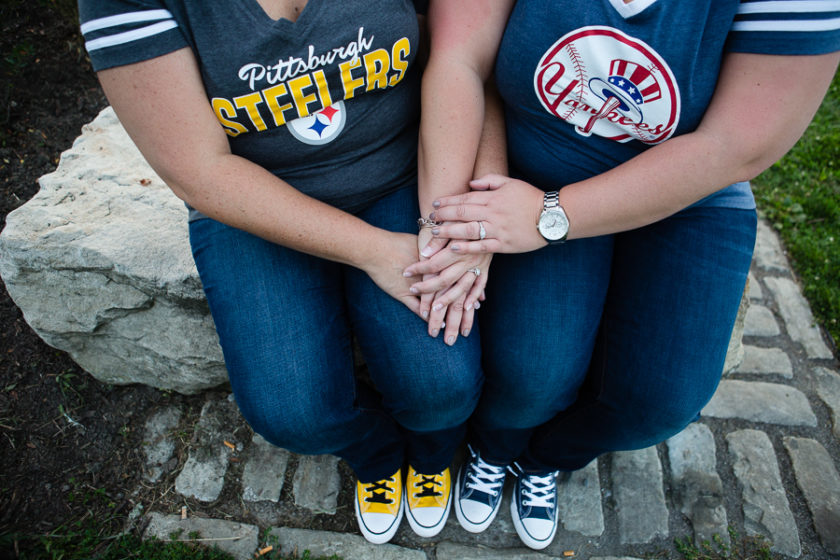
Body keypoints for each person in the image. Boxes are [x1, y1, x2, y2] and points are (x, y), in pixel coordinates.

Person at [406, 0, 840, 550]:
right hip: (537, 166)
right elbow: (460, 57)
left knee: (657, 404)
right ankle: (493, 450)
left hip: (689, 190)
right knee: (532, 372)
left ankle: (544, 460)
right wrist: (452, 227)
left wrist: (550, 218)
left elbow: (734, 146)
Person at [77, 0, 489, 544]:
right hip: (254, 205)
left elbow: (464, 50)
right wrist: (373, 252)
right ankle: (376, 456)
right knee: (292, 413)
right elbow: (199, 171)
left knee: (443, 386)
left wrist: (454, 219)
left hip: (402, 175)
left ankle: (433, 455)